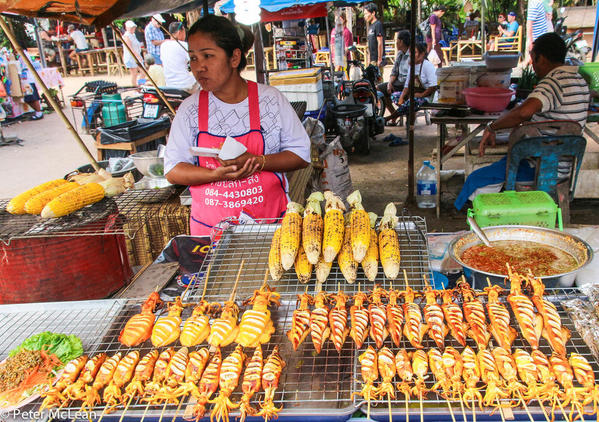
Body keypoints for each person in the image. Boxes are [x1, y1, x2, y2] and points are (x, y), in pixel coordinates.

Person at [164, 15, 310, 236]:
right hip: (209, 233)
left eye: (208, 56)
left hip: (269, 228)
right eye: (193, 58)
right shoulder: (189, 110)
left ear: (234, 57)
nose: (199, 67)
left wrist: (258, 161)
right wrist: (216, 175)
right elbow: (173, 170)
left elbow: (300, 155)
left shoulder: (270, 100)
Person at [455, 33, 590, 210]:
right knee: (496, 169)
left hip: (538, 167)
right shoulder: (580, 81)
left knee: (476, 180)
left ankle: (480, 220)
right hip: (564, 169)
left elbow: (524, 112)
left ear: (540, 58)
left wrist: (492, 126)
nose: (533, 66)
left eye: (533, 60)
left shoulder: (553, 83)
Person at [377, 30, 410, 125]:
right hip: (398, 82)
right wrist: (390, 83)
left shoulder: (412, 54)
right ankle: (394, 115)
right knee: (380, 90)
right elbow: (394, 72)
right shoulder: (400, 54)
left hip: (408, 83)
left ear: (401, 42)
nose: (396, 43)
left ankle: (396, 116)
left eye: (397, 41)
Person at [160, 22, 198, 92]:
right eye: (184, 32)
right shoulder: (184, 45)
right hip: (184, 85)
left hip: (169, 84)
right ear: (179, 32)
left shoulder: (163, 45)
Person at [363, 3, 384, 72]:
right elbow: (370, 43)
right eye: (364, 14)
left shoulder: (378, 25)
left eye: (366, 14)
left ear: (373, 13)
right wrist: (369, 58)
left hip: (377, 59)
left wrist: (379, 59)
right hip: (372, 59)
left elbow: (380, 42)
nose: (365, 16)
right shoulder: (370, 26)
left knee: (378, 80)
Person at [122, 20, 143, 86]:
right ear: (127, 28)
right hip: (131, 57)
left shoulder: (133, 34)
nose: (133, 29)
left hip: (137, 55)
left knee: (143, 72)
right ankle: (135, 88)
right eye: (131, 27)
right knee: (134, 74)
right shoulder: (126, 36)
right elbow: (130, 48)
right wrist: (138, 56)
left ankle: (140, 85)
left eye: (133, 27)